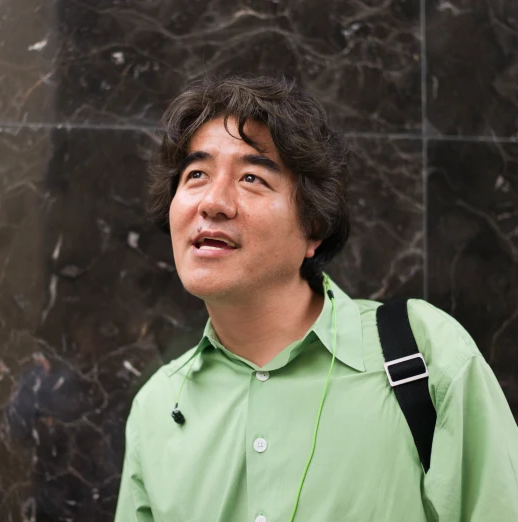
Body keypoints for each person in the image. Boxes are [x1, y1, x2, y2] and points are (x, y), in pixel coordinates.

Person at [114, 75, 518, 522]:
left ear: (314, 228)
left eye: (251, 177)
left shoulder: (425, 355)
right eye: (196, 175)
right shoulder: (158, 406)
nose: (213, 202)